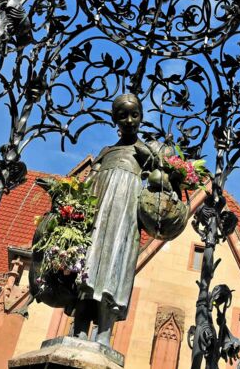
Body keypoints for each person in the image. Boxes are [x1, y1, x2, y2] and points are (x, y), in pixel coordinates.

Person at [72, 93, 160, 347]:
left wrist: (153, 159)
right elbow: (89, 180)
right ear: (115, 120)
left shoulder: (144, 150)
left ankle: (104, 334)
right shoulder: (107, 151)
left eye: (135, 115)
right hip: (98, 209)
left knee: (114, 267)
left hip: (125, 214)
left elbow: (160, 179)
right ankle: (78, 329)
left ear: (142, 118)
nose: (129, 120)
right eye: (123, 116)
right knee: (87, 264)